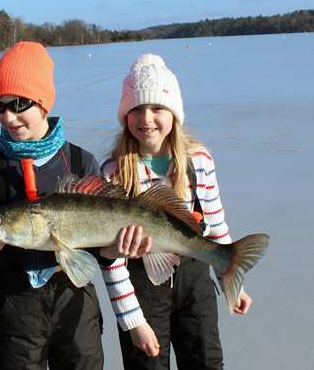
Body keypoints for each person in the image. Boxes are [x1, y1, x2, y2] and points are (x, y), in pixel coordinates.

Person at [0, 42, 150, 370]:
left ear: (43, 103)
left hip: (75, 298)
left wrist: (115, 250)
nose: (8, 116)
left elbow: (101, 252)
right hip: (15, 302)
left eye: (19, 104)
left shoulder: (81, 161)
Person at [100, 53, 253, 369]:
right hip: (142, 291)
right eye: (137, 109)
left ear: (174, 113)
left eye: (157, 108)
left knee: (207, 362)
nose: (147, 118)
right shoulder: (114, 174)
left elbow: (216, 226)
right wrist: (133, 321)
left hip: (196, 286)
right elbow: (112, 262)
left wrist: (231, 280)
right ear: (125, 116)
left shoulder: (199, 161)